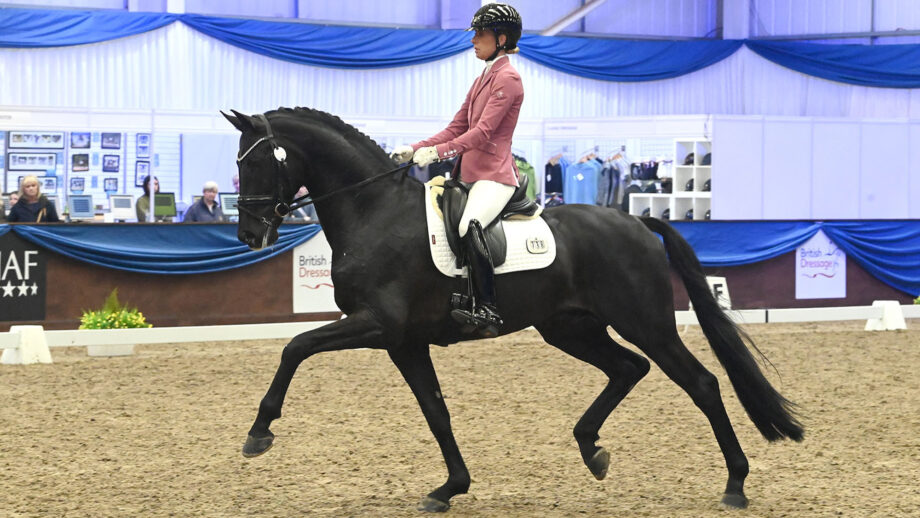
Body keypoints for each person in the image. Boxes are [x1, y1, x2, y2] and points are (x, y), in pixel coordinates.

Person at [391, 3, 523, 337]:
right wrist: (416, 148)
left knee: (469, 224)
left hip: (494, 176)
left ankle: (488, 307)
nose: (474, 40)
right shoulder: (483, 78)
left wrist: (437, 153)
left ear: (502, 38)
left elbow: (482, 133)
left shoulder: (508, 79)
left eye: (480, 34)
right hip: (467, 175)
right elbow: (456, 127)